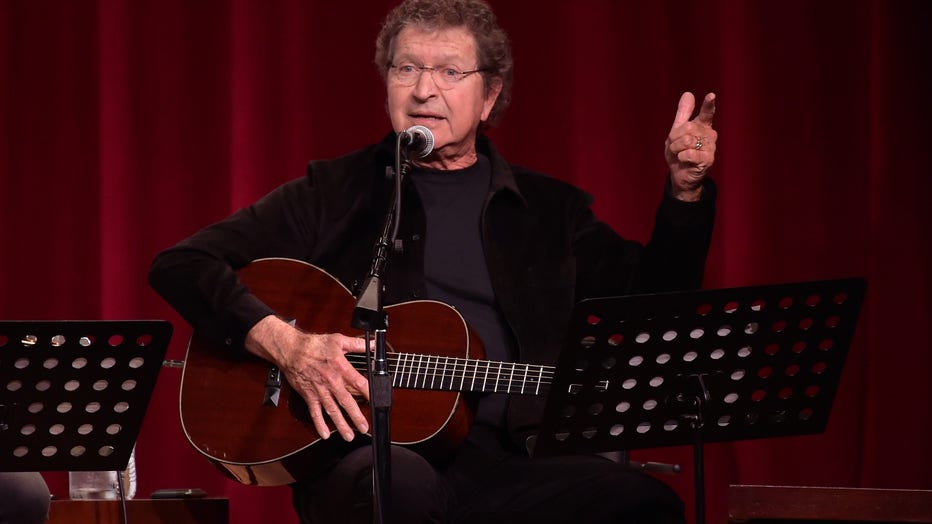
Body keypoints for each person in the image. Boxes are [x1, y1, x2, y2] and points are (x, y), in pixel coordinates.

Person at [149, 0, 717, 522]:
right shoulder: (336, 191)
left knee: (641, 502)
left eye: (449, 72)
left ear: (489, 95)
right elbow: (182, 264)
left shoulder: (550, 212)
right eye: (405, 69)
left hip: (519, 459)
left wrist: (685, 193)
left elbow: (653, 305)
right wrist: (286, 345)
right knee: (397, 489)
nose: (423, 90)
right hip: (374, 454)